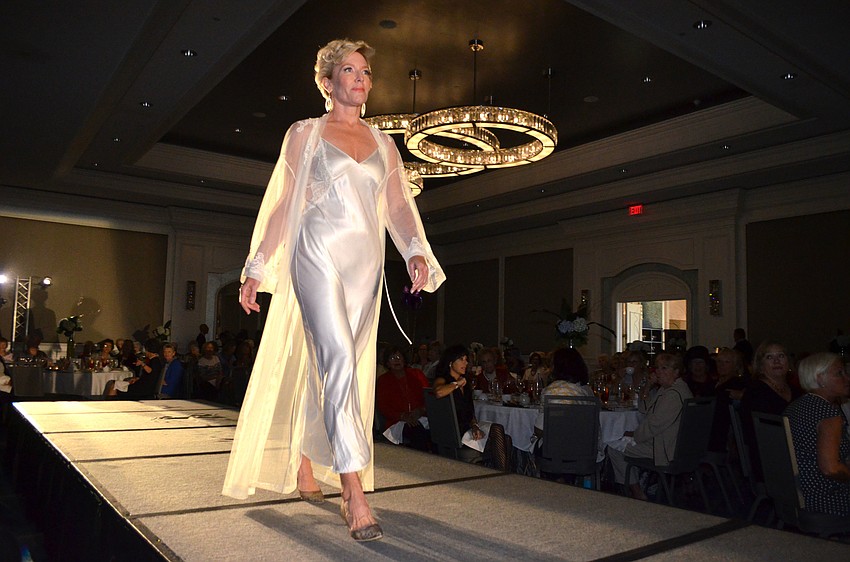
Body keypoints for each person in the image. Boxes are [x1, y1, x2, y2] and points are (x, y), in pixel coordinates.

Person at [222, 38, 444, 543]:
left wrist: (414, 250)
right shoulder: (305, 133)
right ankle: (354, 491)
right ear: (327, 82)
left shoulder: (384, 143)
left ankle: (305, 461)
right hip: (315, 254)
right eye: (350, 70)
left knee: (338, 365)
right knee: (340, 359)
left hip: (366, 266)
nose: (361, 78)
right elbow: (283, 206)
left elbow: (398, 206)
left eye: (366, 71)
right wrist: (256, 266)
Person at [607, 352, 694, 500]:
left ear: (676, 371)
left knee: (613, 447)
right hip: (671, 444)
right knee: (622, 441)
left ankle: (637, 492)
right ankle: (639, 485)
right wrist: (648, 385)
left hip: (665, 449)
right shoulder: (670, 389)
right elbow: (644, 408)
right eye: (657, 368)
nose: (659, 372)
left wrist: (634, 435)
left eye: (664, 368)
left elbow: (654, 425)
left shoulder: (674, 394)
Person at [784, 352, 850, 517]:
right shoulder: (828, 413)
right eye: (839, 373)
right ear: (820, 379)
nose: (847, 378)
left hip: (794, 491)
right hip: (825, 497)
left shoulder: (795, 406)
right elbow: (830, 469)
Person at [432, 345, 511, 470]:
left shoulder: (465, 381)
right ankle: (503, 475)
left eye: (466, 359)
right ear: (451, 362)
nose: (466, 363)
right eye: (461, 360)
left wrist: (474, 426)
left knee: (504, 436)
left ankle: (501, 473)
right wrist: (456, 384)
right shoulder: (444, 379)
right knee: (498, 432)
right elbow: (438, 392)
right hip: (454, 432)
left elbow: (470, 412)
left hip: (467, 428)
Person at [740, 340, 803, 480]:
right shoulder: (755, 392)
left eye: (781, 356)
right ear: (761, 365)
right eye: (769, 357)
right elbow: (755, 434)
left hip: (798, 452)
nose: (776, 361)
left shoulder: (797, 391)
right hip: (771, 458)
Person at [375, 346, 430, 451]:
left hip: (420, 415)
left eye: (398, 357)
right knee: (417, 432)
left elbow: (428, 397)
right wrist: (402, 416)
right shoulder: (384, 380)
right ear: (387, 363)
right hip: (397, 421)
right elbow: (383, 406)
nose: (396, 360)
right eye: (392, 358)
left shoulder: (416, 374)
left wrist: (421, 410)